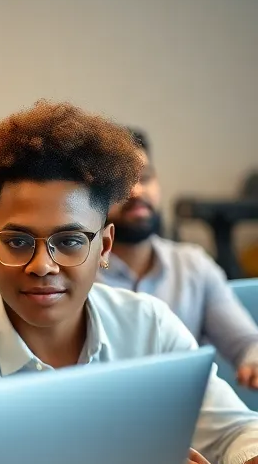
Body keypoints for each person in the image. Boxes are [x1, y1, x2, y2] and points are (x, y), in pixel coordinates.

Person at [0, 100, 258, 464]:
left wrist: (253, 460)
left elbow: (230, 429)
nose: (42, 266)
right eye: (17, 242)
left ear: (105, 246)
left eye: (69, 242)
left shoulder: (147, 326)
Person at [100, 128, 258, 388]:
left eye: (145, 177)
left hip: (189, 419)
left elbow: (247, 343)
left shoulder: (193, 265)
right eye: (119, 182)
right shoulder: (76, 275)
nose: (137, 191)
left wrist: (253, 361)